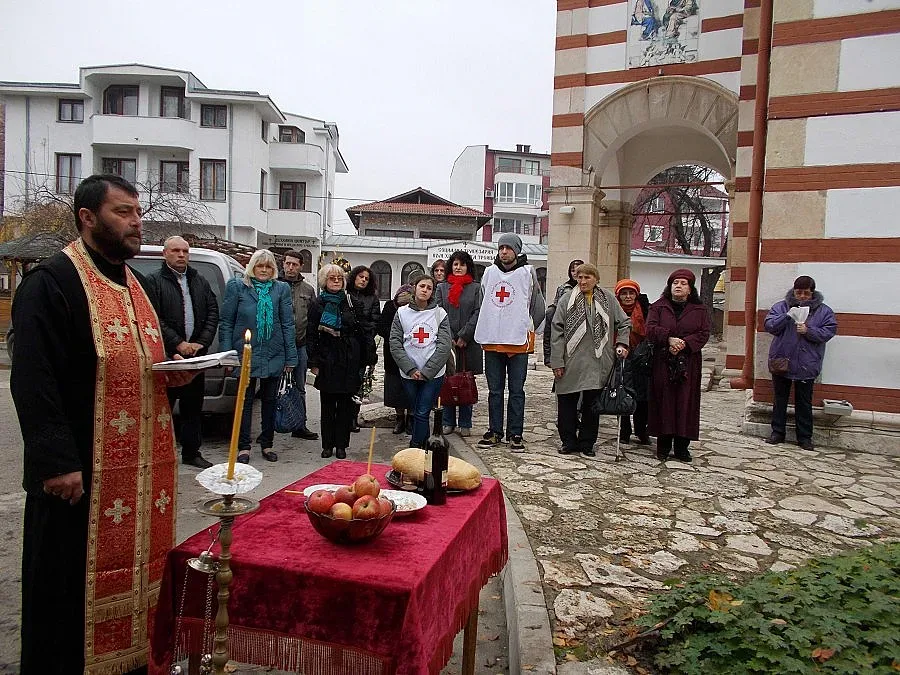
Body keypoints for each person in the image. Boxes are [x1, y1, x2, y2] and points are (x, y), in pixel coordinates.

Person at [10, 174, 196, 674]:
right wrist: (56, 461)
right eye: (123, 212)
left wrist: (172, 377)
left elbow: (139, 361)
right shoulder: (51, 283)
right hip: (78, 476)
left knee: (140, 579)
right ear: (87, 218)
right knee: (66, 587)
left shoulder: (134, 285)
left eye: (138, 212)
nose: (136, 223)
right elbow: (33, 378)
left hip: (139, 474)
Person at [147, 235, 219, 469]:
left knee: (192, 408)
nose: (181, 255)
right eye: (176, 251)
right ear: (165, 254)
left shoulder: (200, 281)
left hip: (195, 357)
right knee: (162, 409)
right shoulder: (154, 282)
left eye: (185, 251)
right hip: (167, 358)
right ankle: (157, 454)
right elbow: (153, 317)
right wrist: (177, 343)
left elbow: (212, 312)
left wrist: (200, 342)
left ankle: (191, 452)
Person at [220, 249, 297, 464]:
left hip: (273, 352)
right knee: (244, 402)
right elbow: (226, 322)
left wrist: (291, 357)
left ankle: (267, 443)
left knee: (270, 401)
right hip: (245, 353)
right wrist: (227, 354)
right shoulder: (238, 287)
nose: (263, 270)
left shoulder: (280, 289)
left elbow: (287, 323)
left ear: (273, 269)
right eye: (259, 266)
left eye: (268, 266)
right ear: (252, 267)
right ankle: (243, 447)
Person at [549, 264, 631, 457]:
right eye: (580, 277)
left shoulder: (608, 299)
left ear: (596, 279)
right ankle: (568, 441)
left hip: (598, 360)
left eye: (587, 277)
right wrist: (557, 361)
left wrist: (622, 343)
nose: (583, 281)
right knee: (567, 403)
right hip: (570, 361)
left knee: (592, 405)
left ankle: (587, 443)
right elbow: (556, 331)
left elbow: (625, 322)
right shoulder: (566, 299)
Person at [474, 233, 545, 452]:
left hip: (517, 342)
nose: (504, 251)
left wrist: (531, 326)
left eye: (508, 248)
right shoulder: (489, 272)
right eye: (501, 247)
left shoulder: (527, 272)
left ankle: (515, 433)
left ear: (517, 250)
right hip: (493, 340)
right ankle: (495, 431)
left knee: (516, 390)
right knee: (495, 390)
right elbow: (483, 301)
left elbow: (536, 303)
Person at [764, 276, 837, 451]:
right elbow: (769, 325)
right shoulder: (781, 306)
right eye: (799, 293)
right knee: (780, 399)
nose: (802, 296)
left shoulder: (823, 311)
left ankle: (804, 437)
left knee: (804, 402)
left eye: (806, 293)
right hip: (782, 360)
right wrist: (787, 317)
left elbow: (829, 331)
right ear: (794, 291)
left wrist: (808, 331)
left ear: (812, 293)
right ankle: (777, 432)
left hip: (807, 362)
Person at [645, 269, 711, 462]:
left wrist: (684, 344)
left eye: (683, 283)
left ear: (690, 288)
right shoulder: (658, 307)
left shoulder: (700, 310)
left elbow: (704, 333)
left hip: (688, 363)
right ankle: (663, 445)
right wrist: (669, 338)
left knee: (685, 402)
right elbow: (650, 329)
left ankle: (682, 446)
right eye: (675, 283)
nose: (678, 286)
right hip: (663, 360)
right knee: (663, 400)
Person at [307, 264, 365, 459]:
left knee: (345, 406)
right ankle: (327, 444)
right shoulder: (318, 303)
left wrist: (364, 358)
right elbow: (311, 334)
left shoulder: (351, 302)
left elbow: (362, 331)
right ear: (325, 281)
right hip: (327, 359)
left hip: (348, 358)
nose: (336, 281)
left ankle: (341, 445)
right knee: (328, 405)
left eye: (339, 278)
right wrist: (314, 362)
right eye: (332, 278)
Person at [390, 274, 452, 447]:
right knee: (418, 410)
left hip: (433, 374)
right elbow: (395, 343)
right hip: (409, 373)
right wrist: (410, 369)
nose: (425, 290)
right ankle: (425, 447)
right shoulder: (402, 313)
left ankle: (416, 446)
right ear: (414, 287)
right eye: (422, 286)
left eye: (429, 288)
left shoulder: (440, 314)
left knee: (423, 410)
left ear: (432, 292)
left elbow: (444, 345)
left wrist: (427, 371)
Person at [434, 250, 483, 436]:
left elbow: (478, 312)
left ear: (467, 266)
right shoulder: (442, 287)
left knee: (465, 382)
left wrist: (464, 335)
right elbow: (438, 311)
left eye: (462, 264)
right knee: (447, 380)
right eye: (455, 264)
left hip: (468, 343)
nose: (458, 267)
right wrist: (450, 337)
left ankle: (465, 423)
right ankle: (447, 421)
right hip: (448, 342)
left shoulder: (476, 288)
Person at [279, 250, 319, 441]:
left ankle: (299, 425)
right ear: (283, 264)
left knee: (299, 387)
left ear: (301, 266)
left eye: (295, 264)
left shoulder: (308, 290)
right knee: (272, 388)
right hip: (277, 347)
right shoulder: (274, 285)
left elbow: (312, 320)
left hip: (300, 345)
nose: (290, 267)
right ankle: (271, 425)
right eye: (288, 263)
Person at [615, 278, 651, 445]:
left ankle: (641, 430)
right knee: (623, 394)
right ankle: (624, 431)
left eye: (631, 293)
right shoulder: (614, 309)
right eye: (624, 294)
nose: (628, 297)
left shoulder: (645, 309)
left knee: (642, 397)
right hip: (621, 356)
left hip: (641, 358)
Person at [347, 265, 381, 432]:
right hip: (345, 346)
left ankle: (352, 417)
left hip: (363, 346)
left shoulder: (372, 298)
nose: (363, 280)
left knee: (357, 384)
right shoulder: (345, 294)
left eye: (366, 278)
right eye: (360, 276)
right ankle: (341, 417)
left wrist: (363, 332)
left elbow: (375, 321)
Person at [378, 284, 414, 434]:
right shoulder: (389, 307)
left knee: (411, 387)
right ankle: (399, 418)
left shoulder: (417, 310)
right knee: (395, 388)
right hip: (393, 354)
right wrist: (397, 337)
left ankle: (411, 418)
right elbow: (382, 327)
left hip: (413, 354)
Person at [543, 259, 584, 367]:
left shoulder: (590, 290)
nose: (575, 273)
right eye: (572, 270)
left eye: (578, 270)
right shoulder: (563, 288)